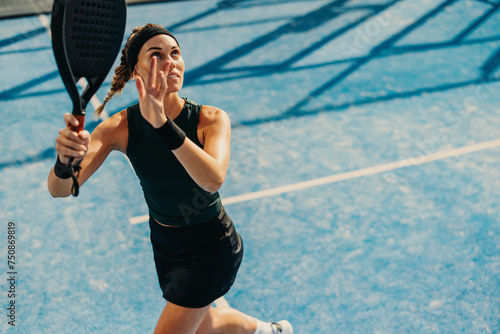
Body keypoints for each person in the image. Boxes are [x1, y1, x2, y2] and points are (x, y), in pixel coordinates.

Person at [47, 23, 293, 334]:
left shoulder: (210, 119)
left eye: (175, 53)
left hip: (212, 246)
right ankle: (272, 331)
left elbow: (213, 179)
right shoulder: (118, 128)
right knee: (207, 323)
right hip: (167, 246)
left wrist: (162, 125)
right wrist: (63, 163)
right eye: (156, 55)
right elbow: (61, 189)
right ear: (136, 71)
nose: (170, 61)